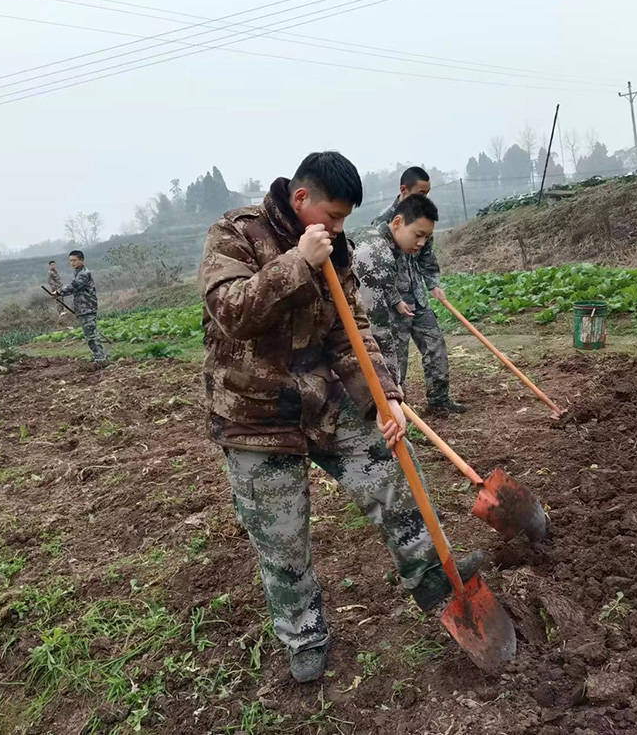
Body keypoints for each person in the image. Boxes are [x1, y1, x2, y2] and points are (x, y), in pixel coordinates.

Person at [199, 151, 482, 683]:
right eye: (330, 216)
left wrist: (383, 395)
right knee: (282, 540)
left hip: (324, 402)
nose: (336, 228)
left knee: (391, 472)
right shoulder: (236, 234)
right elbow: (232, 313)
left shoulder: (338, 249)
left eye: (345, 220)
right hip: (254, 415)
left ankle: (430, 575)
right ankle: (304, 635)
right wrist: (297, 262)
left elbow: (349, 328)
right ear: (300, 198)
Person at [372, 168, 464, 413]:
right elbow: (380, 271)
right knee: (397, 360)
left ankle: (439, 400)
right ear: (404, 190)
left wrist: (433, 284)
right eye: (421, 192)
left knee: (435, 345)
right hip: (395, 305)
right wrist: (394, 299)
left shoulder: (423, 218)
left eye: (428, 192)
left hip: (419, 299)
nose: (426, 197)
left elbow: (427, 256)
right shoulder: (384, 223)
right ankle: (399, 409)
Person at [351, 194, 439, 386]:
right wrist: (392, 383)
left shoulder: (377, 235)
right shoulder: (377, 256)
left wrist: (396, 300)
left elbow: (384, 281)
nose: (422, 243)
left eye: (426, 237)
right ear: (398, 222)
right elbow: (377, 329)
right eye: (418, 235)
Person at [52, 250, 107, 361]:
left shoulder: (84, 274)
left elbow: (73, 286)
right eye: (70, 261)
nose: (72, 263)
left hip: (87, 308)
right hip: (83, 308)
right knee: (91, 333)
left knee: (91, 335)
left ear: (82, 261)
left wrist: (59, 292)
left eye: (75, 261)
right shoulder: (77, 272)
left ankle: (100, 358)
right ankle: (99, 356)